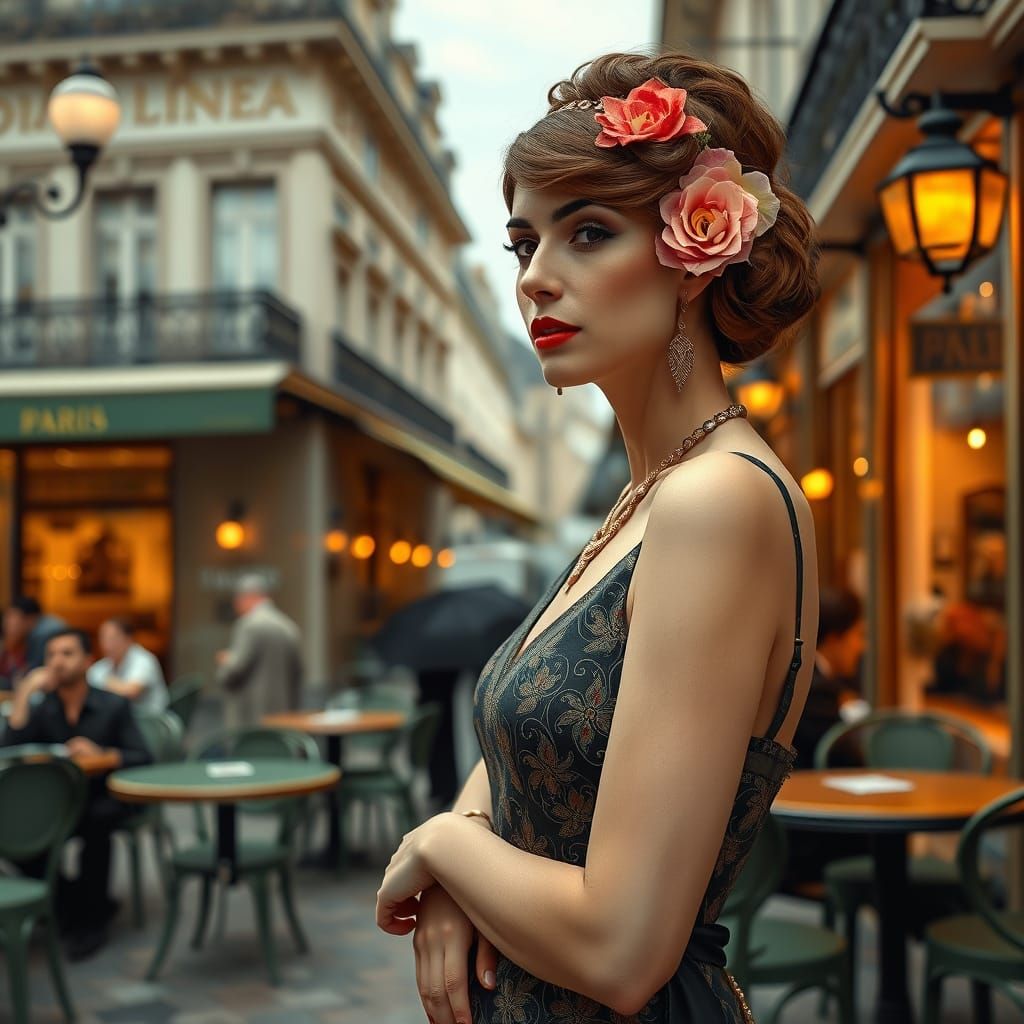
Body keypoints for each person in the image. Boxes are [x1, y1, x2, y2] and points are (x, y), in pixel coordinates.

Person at [373, 53, 823, 1022]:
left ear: (694, 253)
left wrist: (442, 848)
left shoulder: (716, 502)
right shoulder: (646, 500)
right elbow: (525, 738)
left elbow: (623, 949)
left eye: (587, 233)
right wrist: (463, 850)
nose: (536, 278)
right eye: (523, 241)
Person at [1, 628, 152, 960]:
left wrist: (103, 753)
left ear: (87, 661)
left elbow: (143, 757)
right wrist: (25, 691)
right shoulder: (46, 707)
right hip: (55, 804)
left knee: (97, 824)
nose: (57, 662)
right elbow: (10, 749)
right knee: (13, 833)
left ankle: (91, 924)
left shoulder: (112, 705)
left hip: (104, 798)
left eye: (67, 654)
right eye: (51, 654)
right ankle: (73, 903)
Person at [792, 586, 868, 771]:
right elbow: (847, 759)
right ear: (834, 639)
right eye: (857, 635)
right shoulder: (817, 690)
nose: (861, 647)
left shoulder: (805, 673)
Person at [216, 573, 303, 728]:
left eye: (238, 599)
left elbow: (235, 670)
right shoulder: (287, 626)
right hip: (283, 715)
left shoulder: (249, 625)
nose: (236, 605)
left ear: (248, 597)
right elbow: (298, 671)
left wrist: (226, 661)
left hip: (250, 717)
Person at [87, 617, 168, 712]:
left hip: (151, 721)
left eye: (112, 638)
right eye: (103, 638)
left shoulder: (143, 659)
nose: (106, 644)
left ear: (128, 639)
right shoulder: (103, 665)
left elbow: (131, 692)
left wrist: (103, 682)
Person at [4, 596, 66, 673]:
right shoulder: (46, 623)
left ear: (30, 619)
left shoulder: (43, 634)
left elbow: (33, 668)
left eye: (11, 618)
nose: (7, 623)